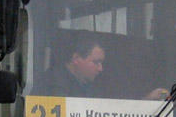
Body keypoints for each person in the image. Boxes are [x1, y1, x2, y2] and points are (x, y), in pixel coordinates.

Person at [39, 32, 168, 100]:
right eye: (96, 62)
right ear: (77, 59)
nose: (100, 69)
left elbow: (115, 115)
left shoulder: (93, 85)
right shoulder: (51, 85)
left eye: (101, 63)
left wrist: (148, 100)